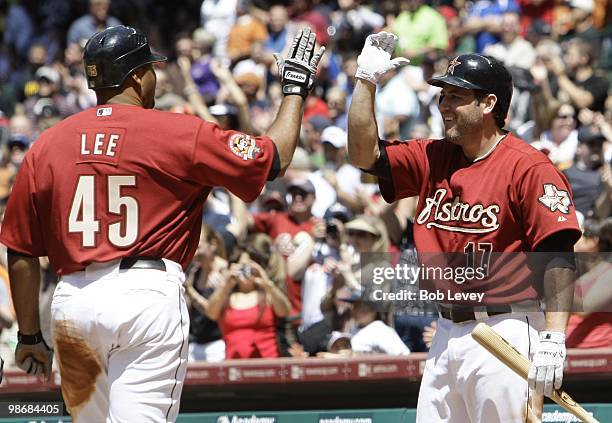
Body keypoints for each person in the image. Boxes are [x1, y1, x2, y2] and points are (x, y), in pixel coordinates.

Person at [0, 25, 323, 422]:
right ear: (137, 76)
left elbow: (21, 248)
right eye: (150, 68)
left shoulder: (47, 143)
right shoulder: (177, 131)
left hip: (73, 303)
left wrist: (30, 335)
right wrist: (294, 89)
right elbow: (272, 159)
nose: (155, 75)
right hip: (144, 296)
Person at [348, 32, 581, 422]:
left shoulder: (529, 167)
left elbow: (558, 253)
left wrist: (554, 338)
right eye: (443, 96)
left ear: (489, 103)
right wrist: (365, 82)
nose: (444, 106)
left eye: (456, 96)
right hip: (444, 331)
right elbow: (363, 156)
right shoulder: (432, 156)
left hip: (506, 327)